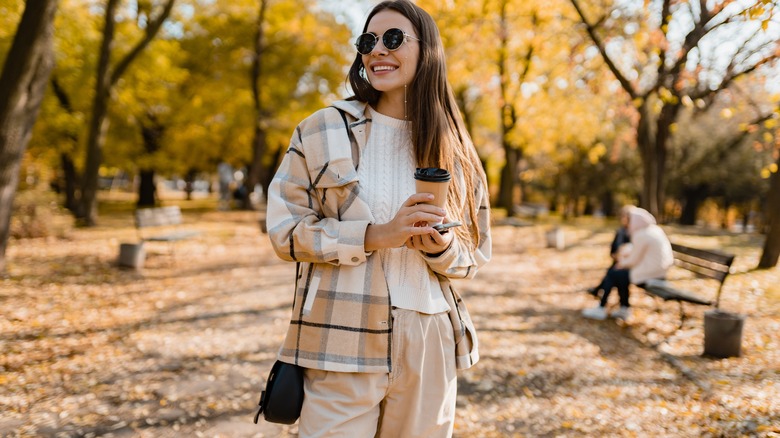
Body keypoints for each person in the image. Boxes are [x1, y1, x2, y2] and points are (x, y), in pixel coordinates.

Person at [265, 1, 491, 436]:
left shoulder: (456, 148)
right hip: (339, 332)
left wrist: (442, 249)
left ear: (427, 51)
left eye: (393, 39)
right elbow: (284, 232)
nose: (377, 51)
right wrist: (374, 236)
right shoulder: (321, 129)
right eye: (368, 42)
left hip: (430, 338)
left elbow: (474, 257)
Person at [582, 207, 672, 321]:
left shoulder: (641, 234)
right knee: (619, 274)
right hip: (659, 271)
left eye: (628, 219)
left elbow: (633, 260)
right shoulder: (654, 230)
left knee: (614, 273)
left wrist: (620, 263)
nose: (626, 222)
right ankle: (624, 308)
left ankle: (601, 307)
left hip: (651, 274)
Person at [586, 205, 633, 298]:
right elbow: (613, 248)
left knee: (612, 273)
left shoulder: (633, 233)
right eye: (622, 216)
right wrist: (615, 255)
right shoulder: (620, 231)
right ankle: (601, 294)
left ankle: (600, 295)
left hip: (628, 263)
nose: (623, 219)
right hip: (618, 260)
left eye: (625, 216)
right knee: (612, 272)